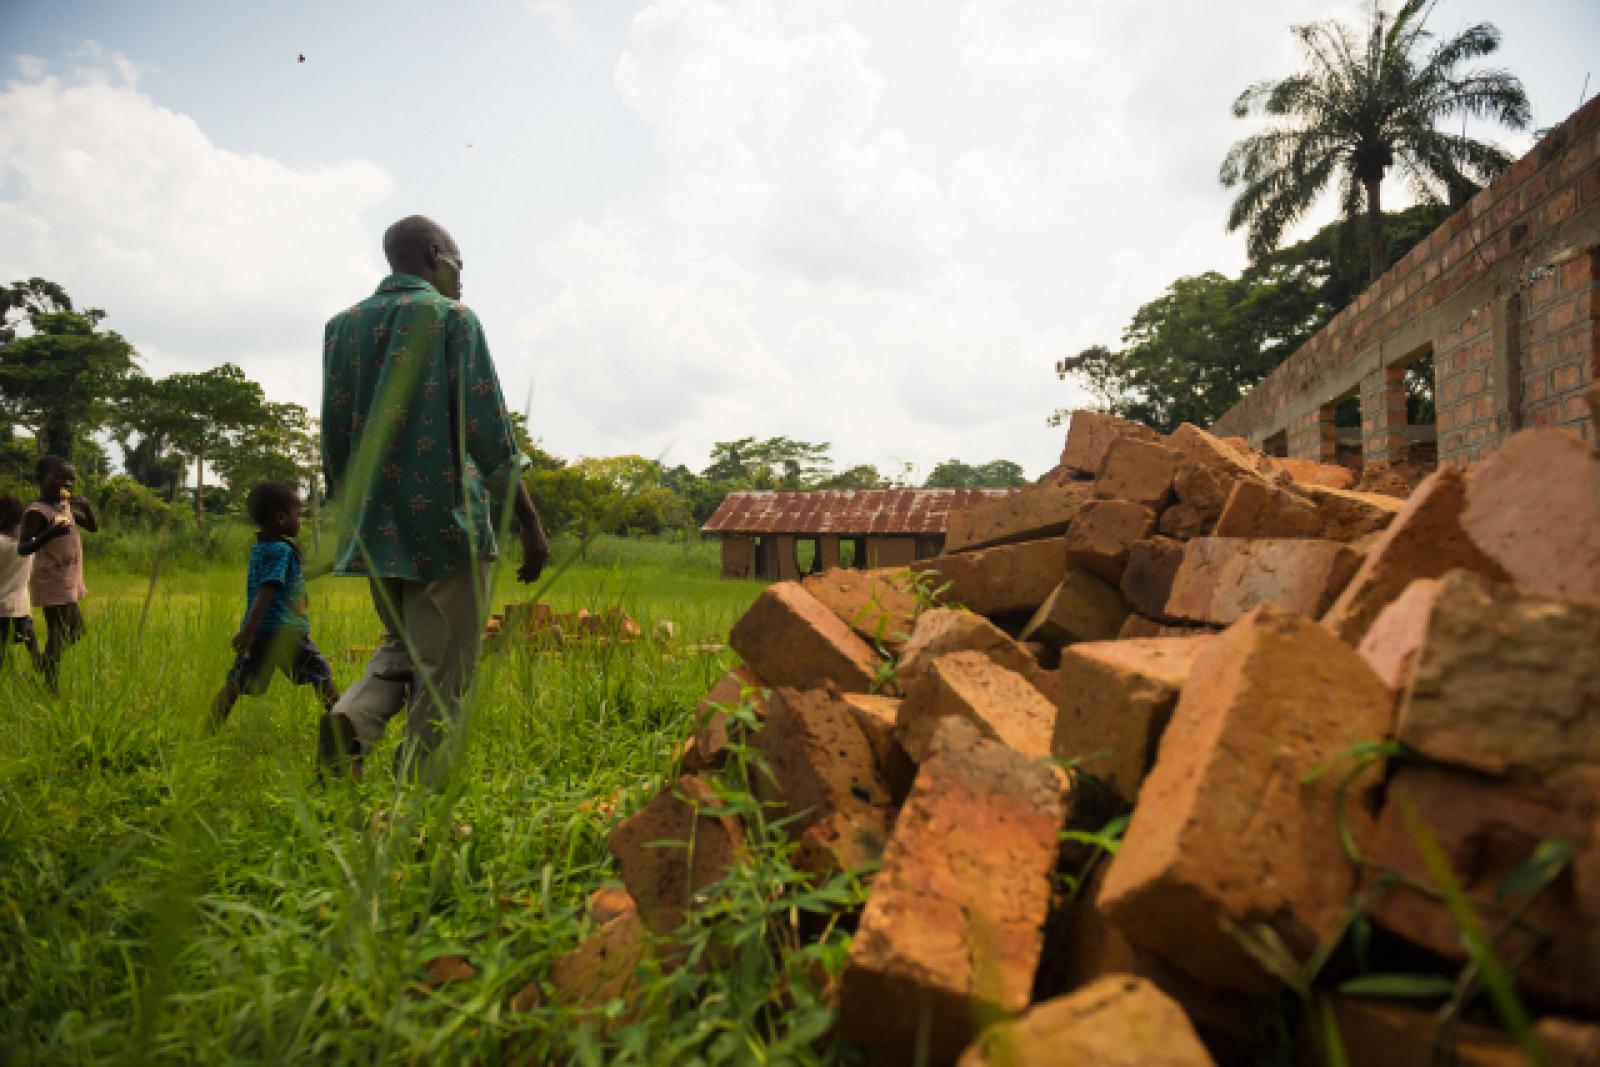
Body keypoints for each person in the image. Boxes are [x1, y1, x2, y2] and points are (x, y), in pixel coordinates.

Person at [318, 215, 548, 782]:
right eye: (458, 262)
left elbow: (334, 434)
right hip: (447, 524)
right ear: (433, 253)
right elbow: (489, 432)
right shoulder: (453, 319)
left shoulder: (342, 328)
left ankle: (353, 717)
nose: (462, 276)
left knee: (404, 645)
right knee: (448, 669)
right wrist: (529, 522)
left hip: (373, 525)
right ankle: (417, 790)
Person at [212, 482, 340, 727]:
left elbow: (293, 578)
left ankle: (207, 730)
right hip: (285, 630)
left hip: (262, 631)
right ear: (280, 518)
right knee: (321, 674)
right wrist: (248, 630)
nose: (300, 520)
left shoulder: (263, 548)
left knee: (236, 682)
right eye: (298, 514)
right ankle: (345, 726)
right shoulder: (282, 550)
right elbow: (268, 587)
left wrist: (327, 568)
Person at [18, 456, 98, 689]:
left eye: (71, 479)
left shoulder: (64, 506)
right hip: (51, 579)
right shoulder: (36, 512)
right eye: (60, 478)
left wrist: (87, 507)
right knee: (58, 631)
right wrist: (50, 534)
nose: (67, 484)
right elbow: (23, 548)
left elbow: (92, 527)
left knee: (76, 631)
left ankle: (43, 663)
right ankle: (50, 684)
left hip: (69, 577)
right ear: (41, 479)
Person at [0, 493, 41, 673]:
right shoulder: (30, 541)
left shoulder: (2, 542)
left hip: (2, 607)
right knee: (34, 652)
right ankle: (42, 677)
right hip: (22, 606)